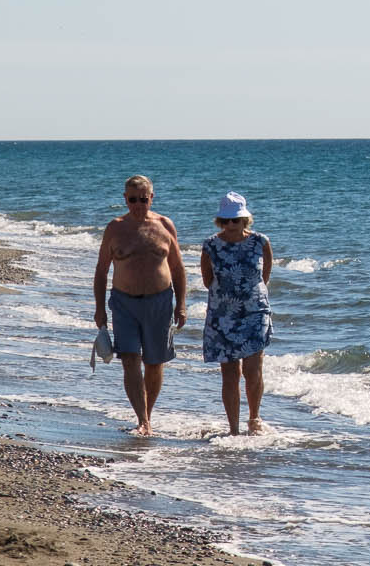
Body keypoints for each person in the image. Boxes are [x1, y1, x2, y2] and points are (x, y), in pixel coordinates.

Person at [93, 175, 186, 436]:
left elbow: (178, 269)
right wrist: (99, 309)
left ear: (151, 198)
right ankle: (142, 420)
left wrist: (182, 305)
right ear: (125, 199)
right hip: (124, 303)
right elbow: (101, 271)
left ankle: (148, 414)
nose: (137, 204)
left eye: (143, 199)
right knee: (130, 359)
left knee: (155, 363)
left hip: (160, 302)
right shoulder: (115, 228)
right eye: (132, 199)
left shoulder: (165, 225)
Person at [200, 191, 274, 435]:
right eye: (226, 220)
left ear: (246, 220)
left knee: (253, 370)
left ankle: (254, 419)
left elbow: (264, 277)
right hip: (223, 314)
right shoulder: (210, 245)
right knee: (230, 373)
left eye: (236, 220)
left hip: (254, 312)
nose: (231, 225)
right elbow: (207, 280)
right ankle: (233, 430)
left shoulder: (260, 242)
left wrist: (249, 297)